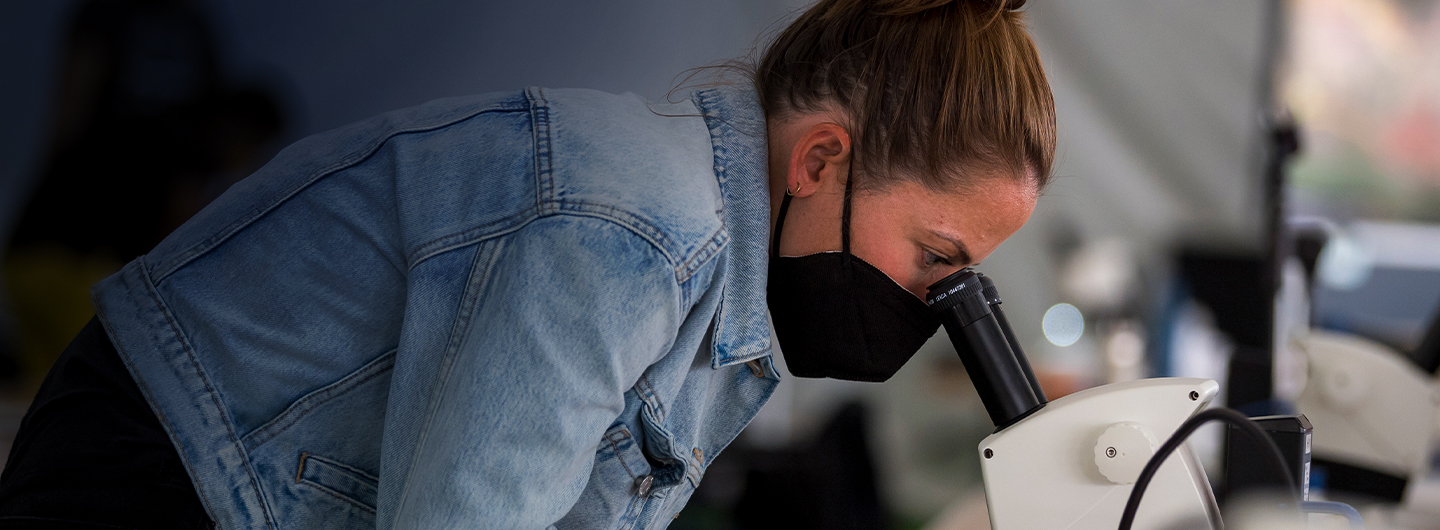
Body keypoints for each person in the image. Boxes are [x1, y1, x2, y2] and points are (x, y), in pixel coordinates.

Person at [0, 0, 1054, 527]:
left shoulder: (727, 294)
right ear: (824, 158)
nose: (939, 304)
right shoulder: (629, 228)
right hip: (156, 474)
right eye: (937, 256)